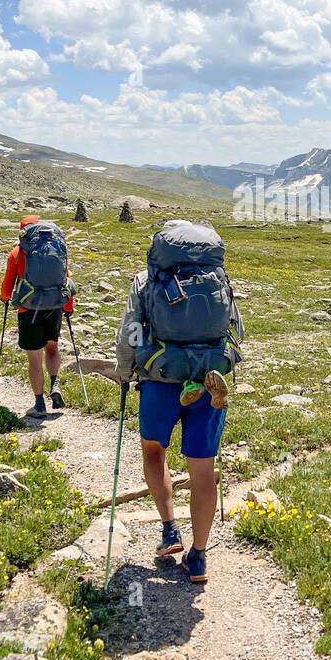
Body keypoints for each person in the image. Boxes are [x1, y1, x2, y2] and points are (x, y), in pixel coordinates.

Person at [113, 220, 243, 584]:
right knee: (203, 469)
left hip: (159, 379)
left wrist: (125, 370)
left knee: (154, 450)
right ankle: (198, 556)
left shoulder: (145, 281)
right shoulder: (218, 279)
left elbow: (132, 330)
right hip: (208, 375)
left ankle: (170, 529)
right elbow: (234, 327)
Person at [0, 215, 75, 420]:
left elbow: (6, 289)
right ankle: (55, 382)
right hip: (54, 307)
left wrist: (5, 298)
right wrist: (68, 306)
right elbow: (65, 280)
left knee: (34, 357)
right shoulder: (56, 250)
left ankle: (39, 404)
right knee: (52, 348)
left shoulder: (17, 253)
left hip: (28, 310)